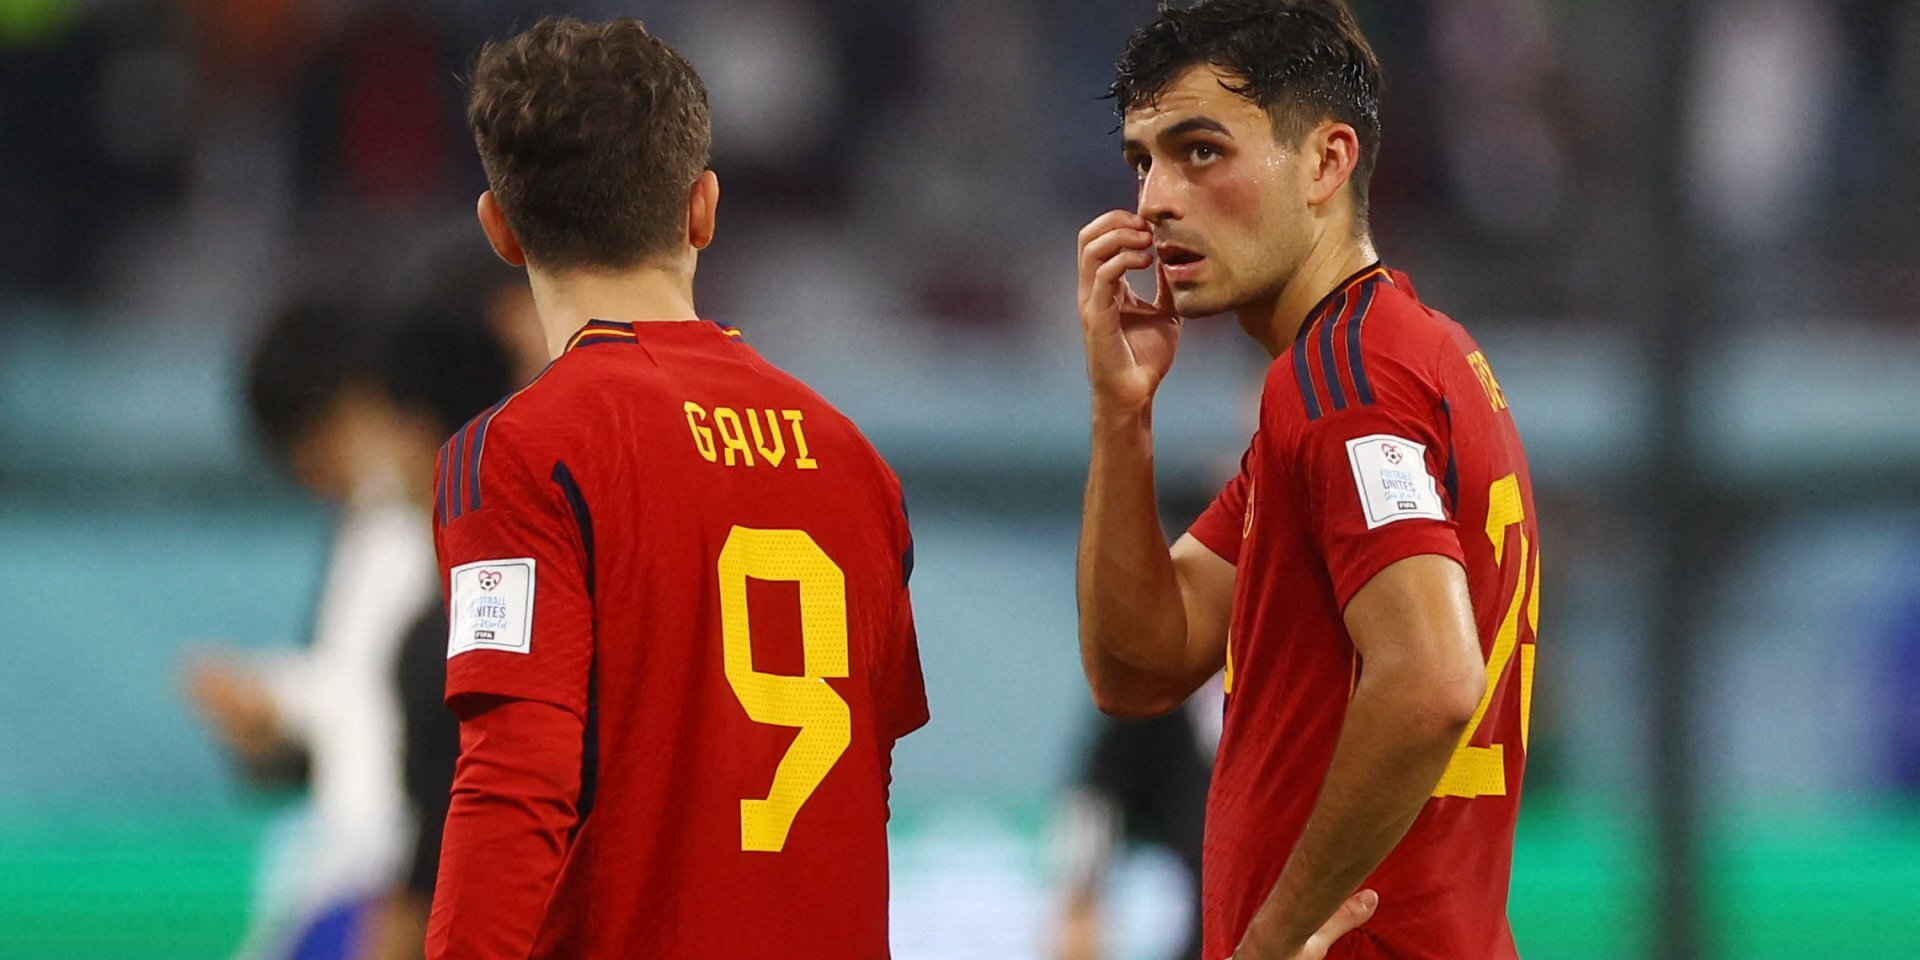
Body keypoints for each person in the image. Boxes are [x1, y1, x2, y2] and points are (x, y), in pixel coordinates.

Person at [425, 17, 927, 959]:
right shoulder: (854, 460)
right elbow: (870, 766)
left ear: (500, 229)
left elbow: (514, 779)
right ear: (703, 208)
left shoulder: (520, 450)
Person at [1072, 3, 1542, 959]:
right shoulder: (1388, 360)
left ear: (1328, 162)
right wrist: (1123, 414)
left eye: (1201, 152)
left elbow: (1432, 679)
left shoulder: (1344, 381)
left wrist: (1270, 939)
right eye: (1143, 161)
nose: (1155, 201)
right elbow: (1141, 665)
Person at [186, 301, 439, 960]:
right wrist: (266, 728)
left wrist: (276, 698)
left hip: (401, 876)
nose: (313, 473)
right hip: (358, 868)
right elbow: (351, 716)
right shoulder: (363, 539)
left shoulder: (446, 527)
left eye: (320, 443)